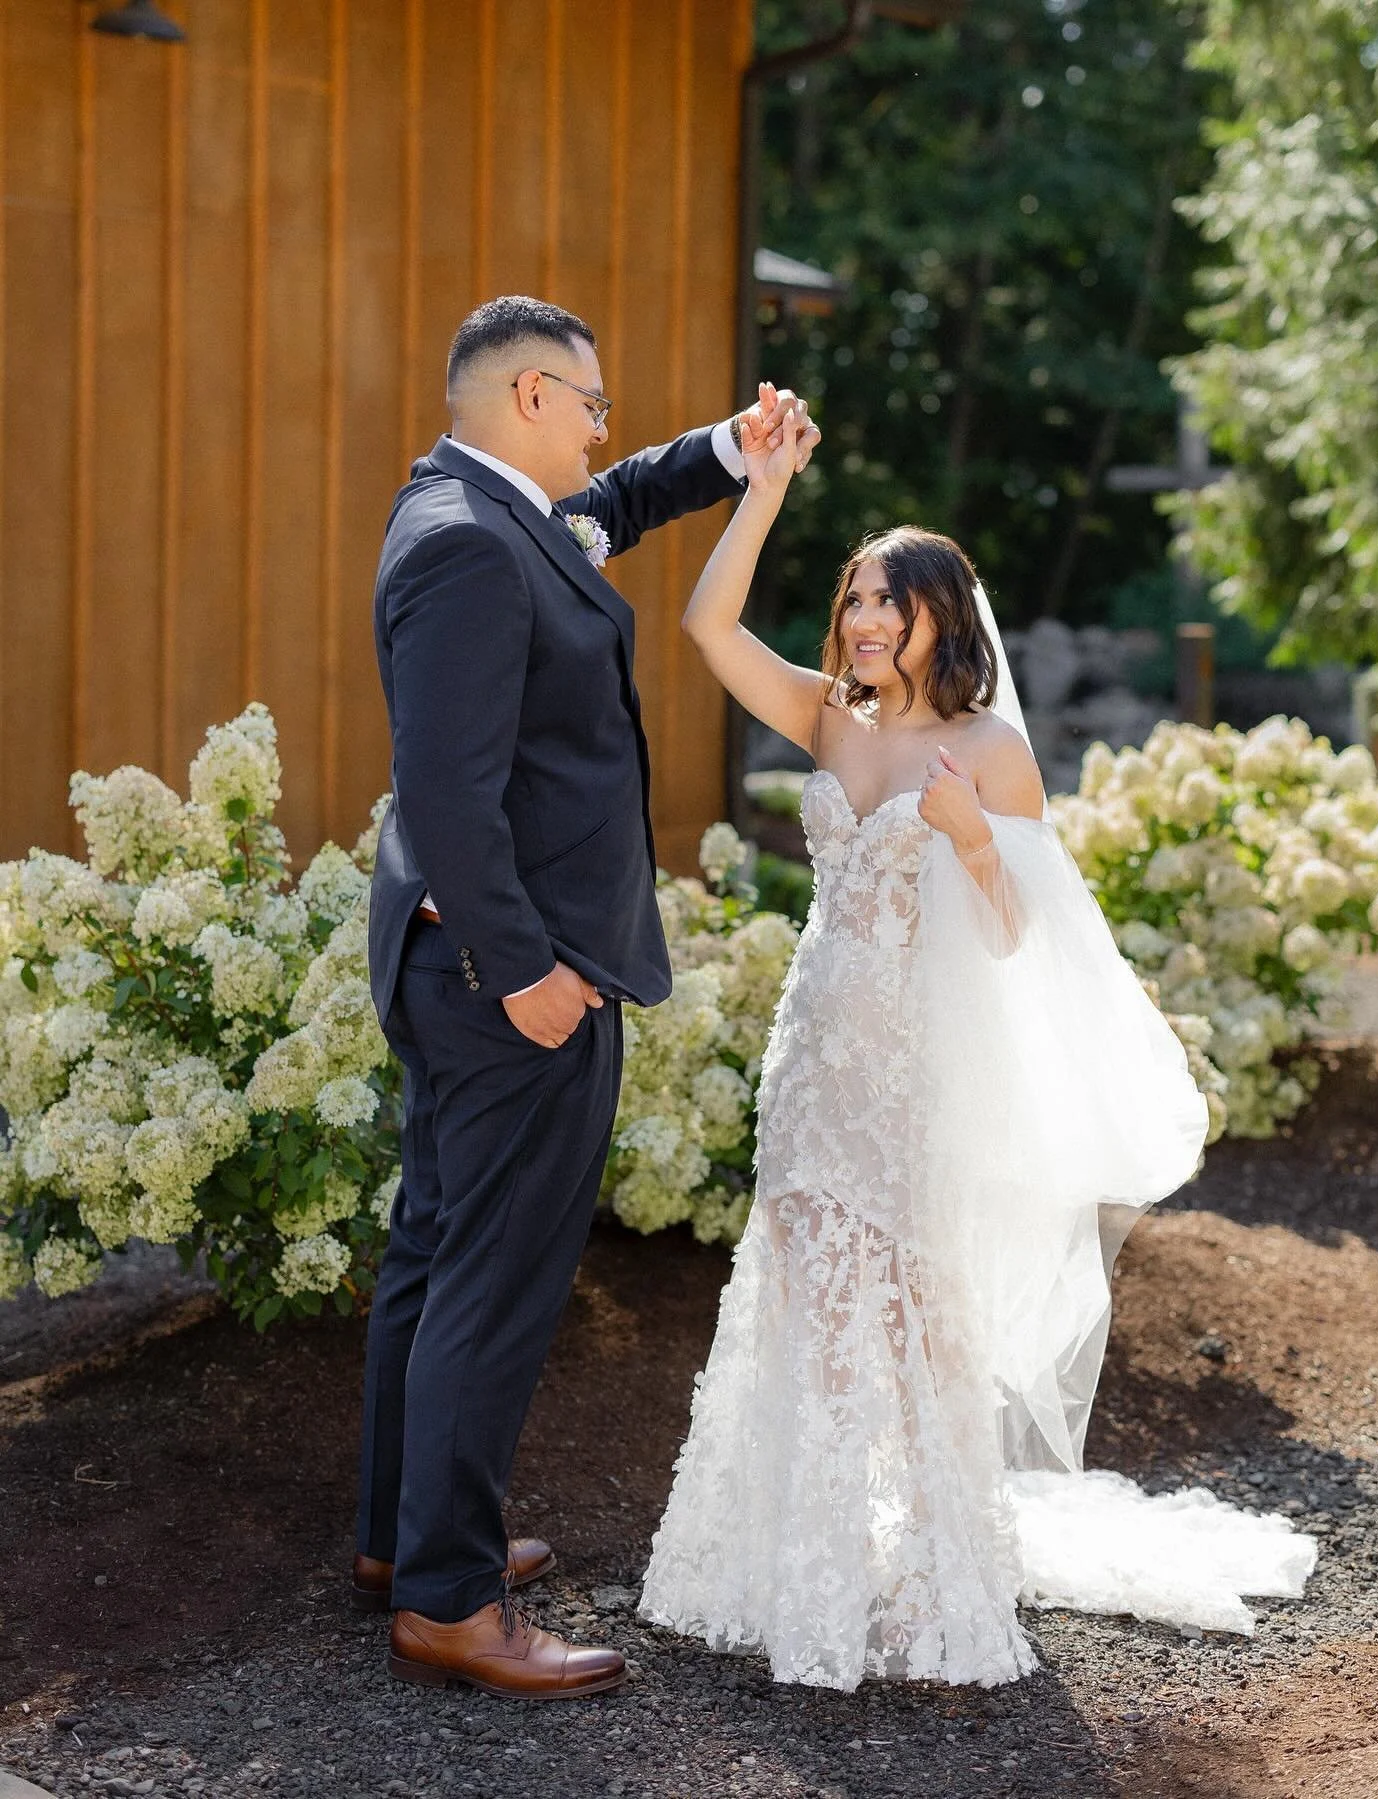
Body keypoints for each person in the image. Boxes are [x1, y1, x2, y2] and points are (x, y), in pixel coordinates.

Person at [639, 397, 1317, 1691]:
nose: (866, 620)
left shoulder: (994, 754)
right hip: (814, 1055)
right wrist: (764, 489)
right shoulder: (832, 720)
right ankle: (802, 1570)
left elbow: (1021, 939)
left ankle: (937, 1567)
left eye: (891, 602)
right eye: (854, 601)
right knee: (813, 1307)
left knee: (919, 1320)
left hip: (917, 1073)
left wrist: (961, 837)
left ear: (946, 615)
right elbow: (706, 627)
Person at [358, 297, 819, 1701]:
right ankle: (449, 1598)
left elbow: (614, 502)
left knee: (437, 1253)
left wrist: (726, 453)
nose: (610, 430)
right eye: (599, 405)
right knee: (490, 1279)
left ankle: (405, 1534)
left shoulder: (490, 509)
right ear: (537, 398)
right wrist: (531, 974)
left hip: (476, 972)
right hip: (511, 985)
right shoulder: (465, 550)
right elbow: (447, 794)